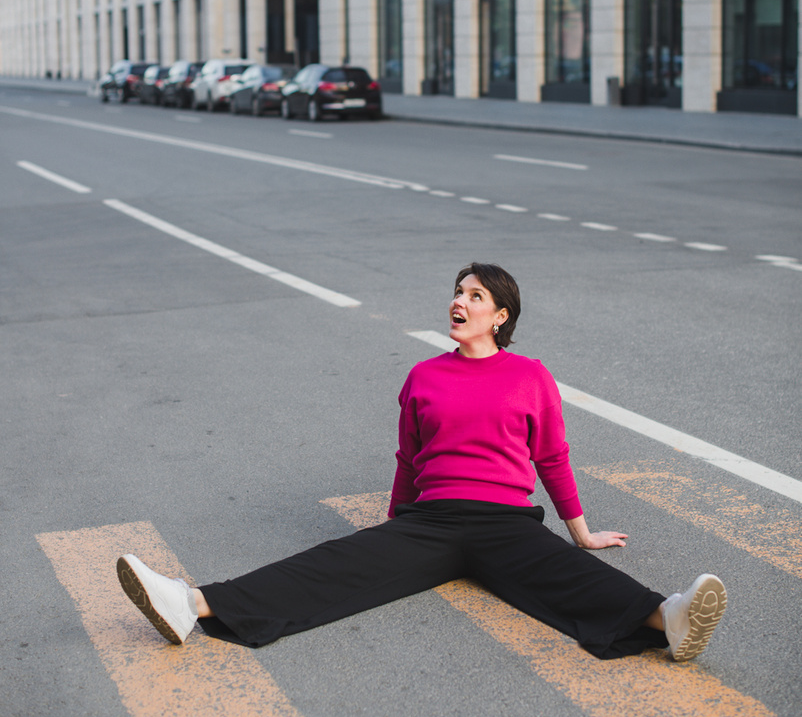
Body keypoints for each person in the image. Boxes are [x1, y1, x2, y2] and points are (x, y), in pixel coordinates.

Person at [117, 263, 727, 663]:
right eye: (458, 292)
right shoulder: (424, 376)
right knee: (330, 566)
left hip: (505, 520)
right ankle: (189, 603)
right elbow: (409, 459)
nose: (459, 302)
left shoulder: (530, 376)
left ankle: (667, 616)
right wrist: (392, 525)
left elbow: (552, 457)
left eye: (474, 295)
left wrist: (582, 531)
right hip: (431, 519)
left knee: (567, 574)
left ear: (500, 315)